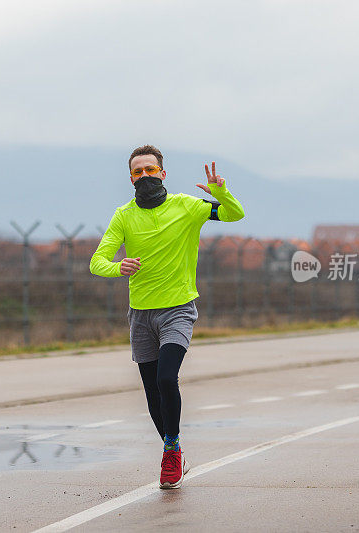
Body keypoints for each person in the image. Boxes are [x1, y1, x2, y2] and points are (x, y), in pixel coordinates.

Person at [89, 144, 245, 489]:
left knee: (165, 379)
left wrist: (220, 191)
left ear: (163, 173)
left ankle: (171, 450)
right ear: (130, 178)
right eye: (137, 172)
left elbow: (235, 215)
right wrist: (119, 267)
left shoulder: (187, 207)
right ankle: (173, 449)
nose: (144, 176)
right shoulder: (123, 215)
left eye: (150, 169)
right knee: (151, 395)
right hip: (141, 316)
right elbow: (96, 262)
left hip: (177, 310)